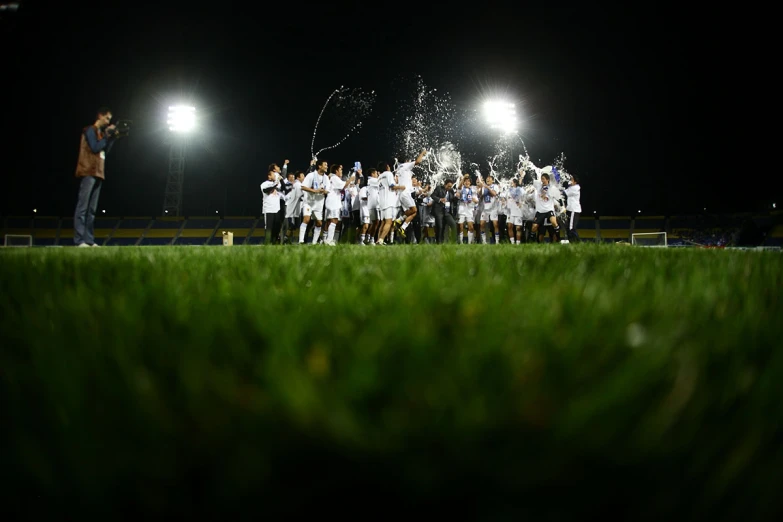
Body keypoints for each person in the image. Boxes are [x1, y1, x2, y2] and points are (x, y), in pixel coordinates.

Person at [73, 107, 118, 247]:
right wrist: (106, 136)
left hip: (98, 172)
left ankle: (89, 240)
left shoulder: (100, 133)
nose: (108, 122)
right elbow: (95, 147)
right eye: (107, 118)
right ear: (100, 116)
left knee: (92, 210)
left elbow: (105, 150)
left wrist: (112, 138)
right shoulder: (90, 130)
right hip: (88, 171)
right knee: (83, 207)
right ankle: (79, 240)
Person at [430, 178, 458, 243]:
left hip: (447, 211)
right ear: (445, 185)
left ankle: (454, 241)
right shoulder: (439, 188)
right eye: (448, 186)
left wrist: (457, 197)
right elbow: (432, 195)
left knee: (453, 224)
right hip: (438, 210)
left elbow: (453, 200)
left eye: (451, 186)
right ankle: (439, 242)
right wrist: (440, 199)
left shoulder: (451, 191)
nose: (449, 187)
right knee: (440, 226)